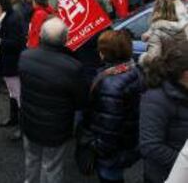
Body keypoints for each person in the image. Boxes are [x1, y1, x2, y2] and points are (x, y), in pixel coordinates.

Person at [19, 17, 86, 183]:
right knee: (52, 165)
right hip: (56, 127)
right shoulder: (73, 67)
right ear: (66, 39)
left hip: (30, 121)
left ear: (40, 35)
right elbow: (81, 102)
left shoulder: (25, 56)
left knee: (32, 159)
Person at [82, 30, 143, 183]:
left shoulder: (110, 84)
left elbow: (109, 126)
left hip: (112, 151)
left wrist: (97, 148)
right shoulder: (134, 70)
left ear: (105, 53)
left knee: (110, 177)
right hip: (129, 141)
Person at [140, 40, 188, 183]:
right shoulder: (156, 99)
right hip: (164, 176)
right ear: (185, 74)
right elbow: (150, 146)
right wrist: (183, 164)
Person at [0, 0, 26, 139]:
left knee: (18, 96)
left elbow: (16, 43)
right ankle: (13, 119)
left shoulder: (11, 20)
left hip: (13, 63)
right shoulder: (1, 19)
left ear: (4, 6)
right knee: (12, 94)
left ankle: (23, 128)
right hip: (6, 61)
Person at [139, 0, 188, 68]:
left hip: (171, 73)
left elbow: (152, 59)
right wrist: (149, 32)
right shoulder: (185, 19)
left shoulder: (158, 32)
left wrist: (143, 59)